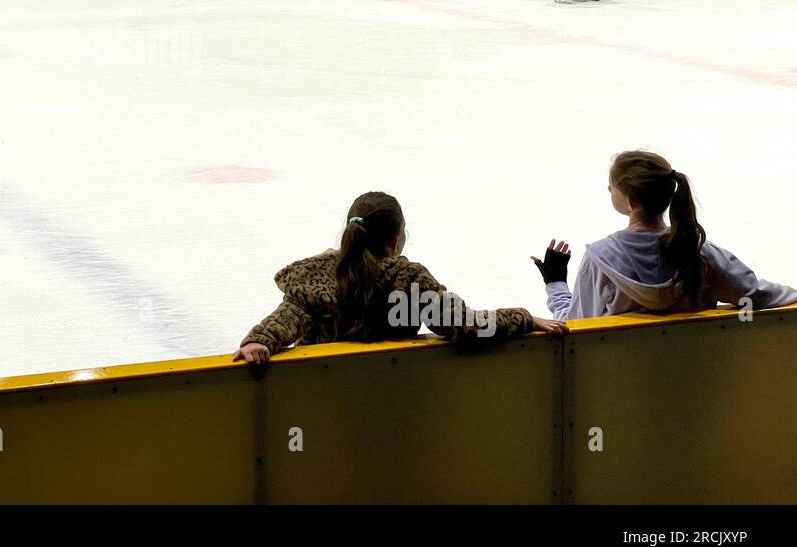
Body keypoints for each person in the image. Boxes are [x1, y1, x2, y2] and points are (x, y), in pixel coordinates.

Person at [232, 192, 566, 366]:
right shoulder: (407, 281)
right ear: (395, 241)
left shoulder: (314, 277)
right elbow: (466, 326)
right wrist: (525, 318)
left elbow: (285, 319)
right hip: (390, 398)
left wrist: (258, 341)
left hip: (316, 401)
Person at [532, 151, 797, 321]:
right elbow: (759, 296)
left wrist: (555, 284)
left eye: (611, 187)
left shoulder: (601, 258)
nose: (608, 190)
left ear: (631, 200)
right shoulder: (700, 252)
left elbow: (575, 327)